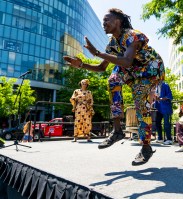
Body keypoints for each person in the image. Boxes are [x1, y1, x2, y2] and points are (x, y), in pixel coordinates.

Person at [63, 8, 165, 166]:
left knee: (140, 102)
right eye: (103, 21)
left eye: (107, 20)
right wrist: (82, 65)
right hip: (130, 69)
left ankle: (146, 147)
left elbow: (127, 61)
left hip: (149, 69)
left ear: (118, 22)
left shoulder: (132, 35)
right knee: (112, 79)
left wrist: (96, 52)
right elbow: (101, 68)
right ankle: (117, 131)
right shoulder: (111, 44)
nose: (104, 24)